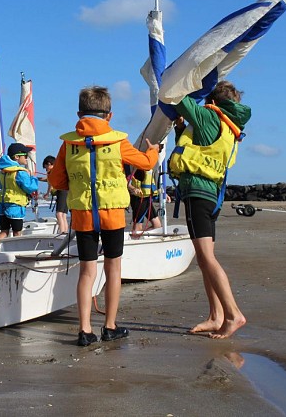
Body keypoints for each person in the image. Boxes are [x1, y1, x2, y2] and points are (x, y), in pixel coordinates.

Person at [48, 86, 160, 346]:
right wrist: (153, 150)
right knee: (113, 269)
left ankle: (85, 330)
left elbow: (56, 180)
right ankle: (110, 326)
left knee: (87, 272)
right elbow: (146, 163)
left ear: (79, 114)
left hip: (84, 215)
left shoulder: (69, 144)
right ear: (109, 116)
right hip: (112, 216)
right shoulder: (117, 141)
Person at [169, 80, 251, 339]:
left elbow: (177, 96)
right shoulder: (230, 128)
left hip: (197, 191)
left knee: (206, 258)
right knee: (206, 260)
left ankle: (233, 313)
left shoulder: (207, 116)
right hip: (212, 195)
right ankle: (216, 316)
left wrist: (194, 83)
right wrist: (182, 129)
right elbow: (201, 146)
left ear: (211, 101)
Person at [0, 143, 39, 252]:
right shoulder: (20, 172)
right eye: (25, 155)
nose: (27, 158)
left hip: (4, 205)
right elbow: (30, 187)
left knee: (4, 232)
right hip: (16, 207)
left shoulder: (3, 172)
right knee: (17, 233)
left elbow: (1, 186)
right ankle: (16, 254)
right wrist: (33, 177)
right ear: (16, 157)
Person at [128, 168, 162, 233]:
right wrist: (134, 189)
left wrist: (163, 194)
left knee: (157, 226)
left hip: (147, 198)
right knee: (137, 228)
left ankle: (140, 236)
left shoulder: (151, 165)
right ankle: (136, 238)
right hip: (138, 198)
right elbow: (128, 182)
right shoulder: (136, 166)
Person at [41, 155, 69, 234]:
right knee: (63, 214)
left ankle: (62, 231)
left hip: (62, 192)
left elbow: (50, 183)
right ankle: (65, 231)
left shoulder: (51, 172)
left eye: (45, 167)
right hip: (67, 191)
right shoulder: (59, 170)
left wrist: (47, 193)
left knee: (59, 214)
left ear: (49, 164)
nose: (46, 169)